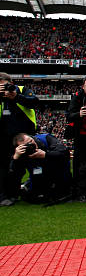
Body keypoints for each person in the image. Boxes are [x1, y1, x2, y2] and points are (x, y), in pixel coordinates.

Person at [0, 73, 39, 206]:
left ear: (11, 83)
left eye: (5, 85)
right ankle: (5, 195)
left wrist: (16, 96)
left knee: (24, 167)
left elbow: (34, 102)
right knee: (4, 168)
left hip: (25, 138)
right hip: (4, 140)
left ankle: (28, 192)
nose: (3, 89)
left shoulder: (22, 90)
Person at [11, 132, 71, 204]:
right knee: (35, 197)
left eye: (31, 141)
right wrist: (15, 159)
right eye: (26, 145)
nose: (32, 145)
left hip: (59, 172)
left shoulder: (46, 138)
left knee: (60, 194)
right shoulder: (21, 154)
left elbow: (64, 153)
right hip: (38, 177)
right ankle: (28, 185)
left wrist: (46, 155)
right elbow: (14, 175)